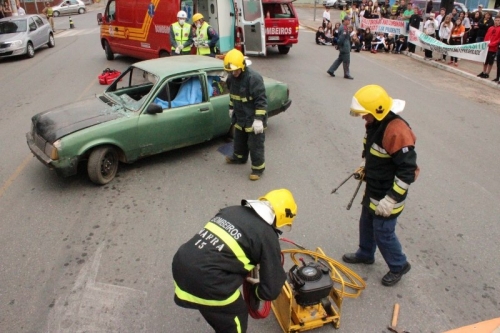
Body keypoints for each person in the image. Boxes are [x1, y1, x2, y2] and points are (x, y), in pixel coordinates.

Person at [172, 189, 298, 333]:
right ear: (281, 218)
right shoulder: (266, 236)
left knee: (215, 311)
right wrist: (256, 292)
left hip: (182, 264)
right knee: (235, 316)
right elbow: (271, 289)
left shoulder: (231, 211)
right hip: (207, 281)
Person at [343, 85, 419, 287]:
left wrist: (392, 198)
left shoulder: (397, 131)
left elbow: (408, 171)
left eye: (365, 114)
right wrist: (365, 164)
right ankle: (366, 253)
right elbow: (373, 150)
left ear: (377, 110)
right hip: (375, 186)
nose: (362, 118)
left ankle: (399, 265)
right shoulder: (376, 123)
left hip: (389, 193)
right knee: (366, 220)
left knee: (383, 231)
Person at [224, 49, 267, 181]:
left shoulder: (254, 78)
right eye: (231, 71)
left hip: (254, 119)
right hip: (240, 117)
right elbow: (233, 96)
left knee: (255, 145)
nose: (234, 73)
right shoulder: (231, 78)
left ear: (242, 66)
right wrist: (231, 108)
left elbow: (261, 101)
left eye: (236, 70)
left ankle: (258, 168)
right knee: (239, 140)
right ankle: (239, 157)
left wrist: (259, 119)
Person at [477, 15, 500, 79]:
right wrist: (485, 43)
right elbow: (486, 36)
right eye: (496, 20)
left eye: (498, 21)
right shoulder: (490, 28)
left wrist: (492, 44)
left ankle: (487, 73)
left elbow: (499, 40)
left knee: (490, 61)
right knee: (485, 61)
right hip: (487, 47)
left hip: (493, 48)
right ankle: (483, 72)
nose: (497, 22)